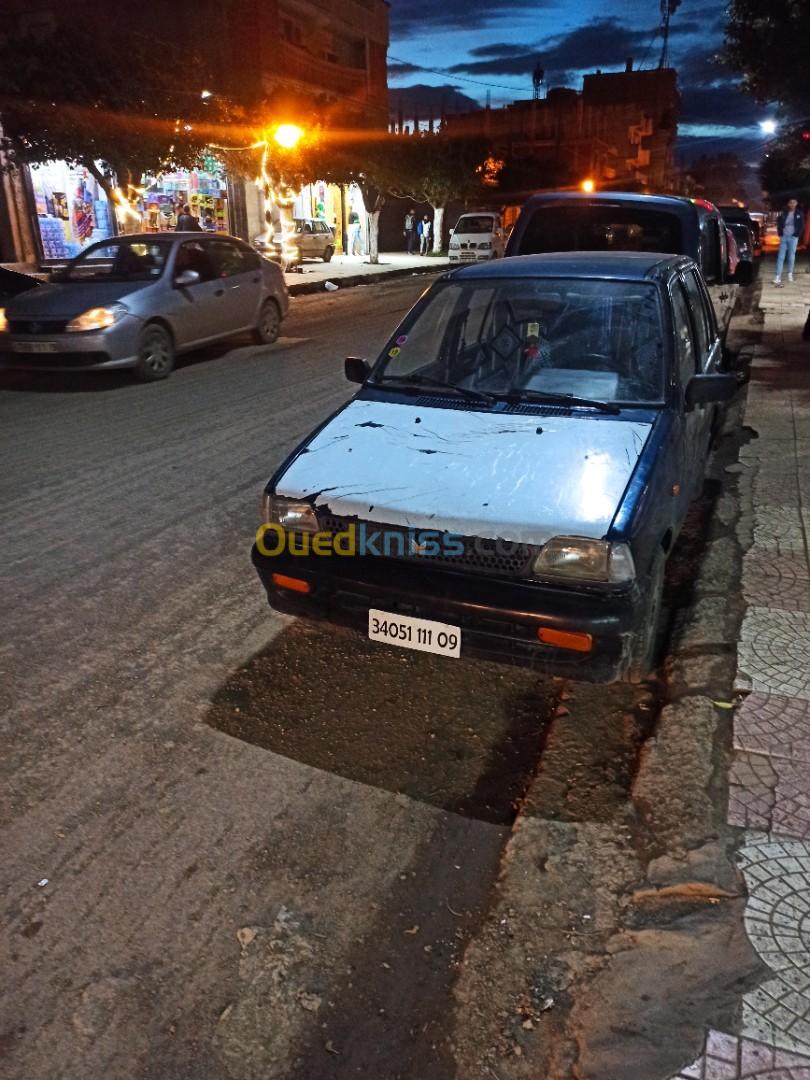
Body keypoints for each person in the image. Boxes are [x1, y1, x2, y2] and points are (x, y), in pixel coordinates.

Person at [774, 198, 805, 285]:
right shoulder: (784, 213)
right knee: (781, 257)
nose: (792, 204)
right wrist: (780, 233)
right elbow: (779, 223)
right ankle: (777, 276)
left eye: (794, 202)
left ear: (796, 203)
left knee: (791, 256)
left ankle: (790, 274)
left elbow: (802, 225)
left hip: (793, 238)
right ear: (788, 204)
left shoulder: (799, 214)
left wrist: (796, 235)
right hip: (784, 237)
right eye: (790, 202)